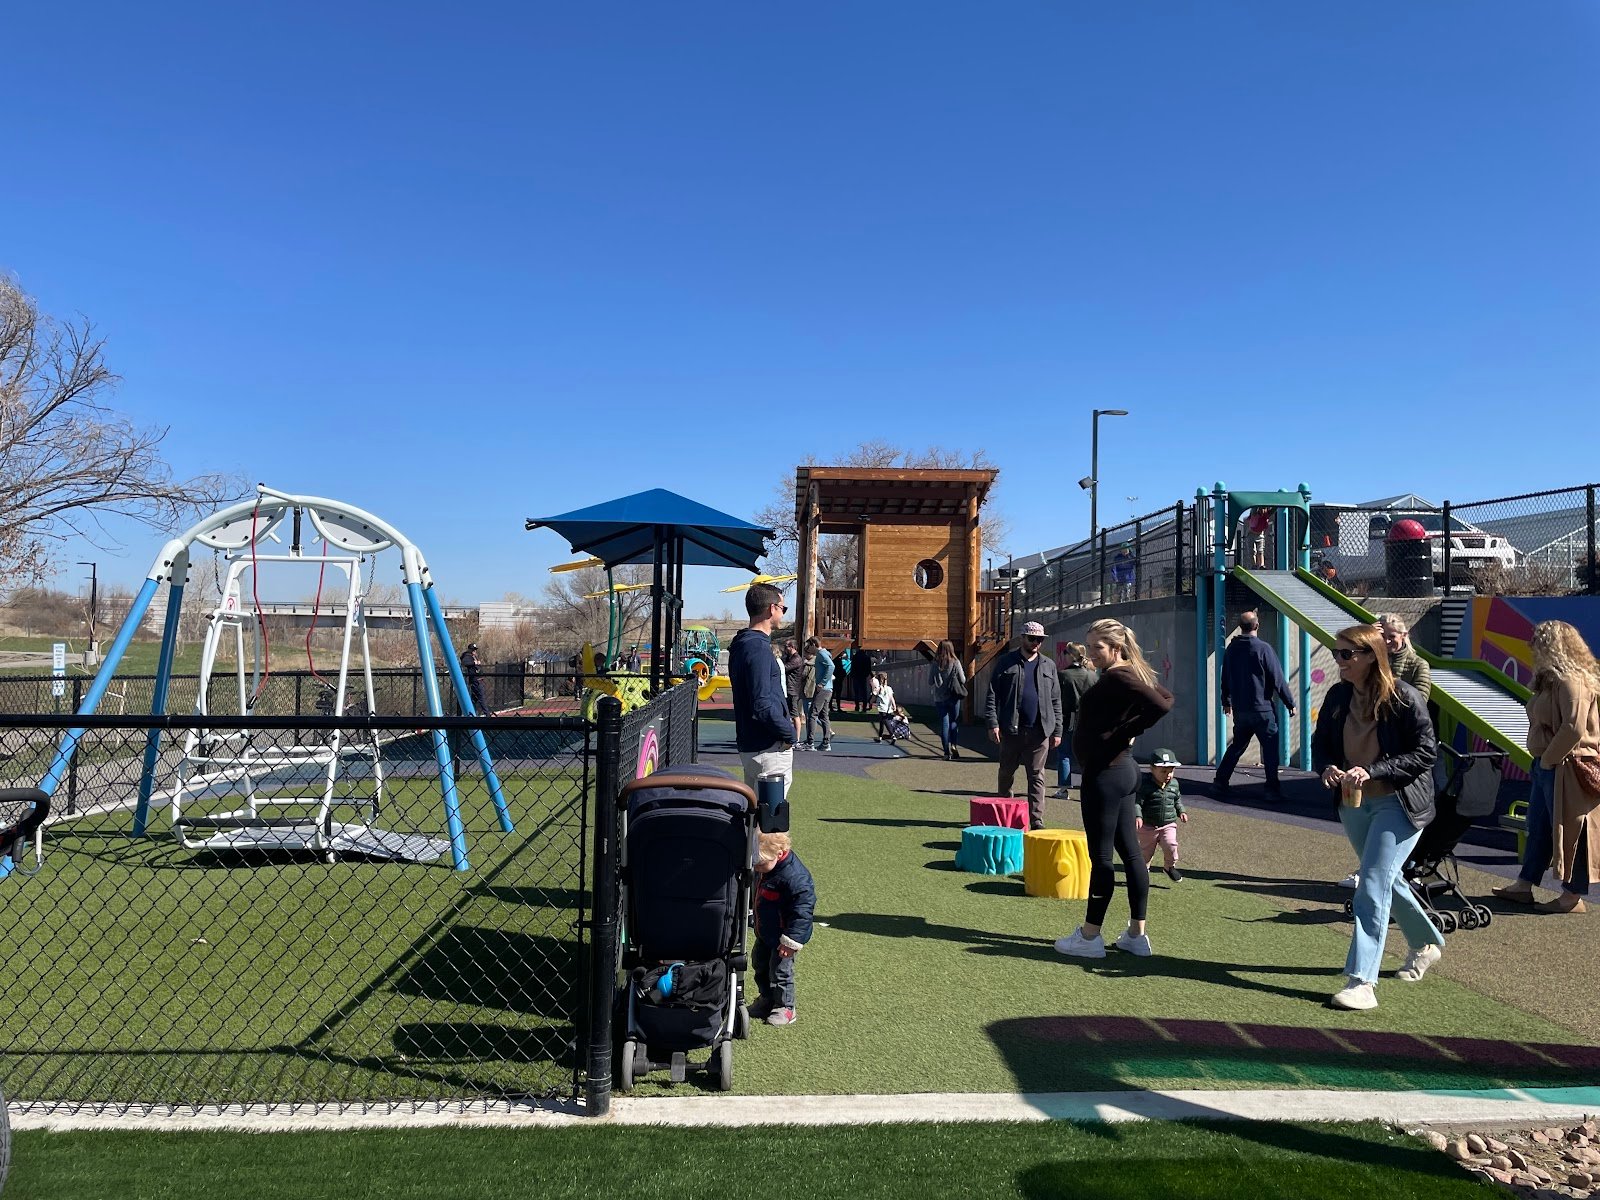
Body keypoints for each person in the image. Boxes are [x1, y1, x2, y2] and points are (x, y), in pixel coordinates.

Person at [1313, 624, 1443, 1012]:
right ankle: (1425, 943)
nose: (1339, 661)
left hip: (1399, 803)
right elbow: (1321, 743)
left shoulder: (1404, 696)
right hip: (1353, 802)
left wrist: (1374, 770)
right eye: (1336, 653)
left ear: (1371, 656)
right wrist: (1326, 767)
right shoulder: (1338, 696)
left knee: (1371, 883)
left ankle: (1362, 981)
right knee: (1385, 879)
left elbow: (1426, 752)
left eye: (1346, 654)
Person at [1055, 619, 1174, 959]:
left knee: (1102, 858)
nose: (1091, 653)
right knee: (1132, 854)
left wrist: (1123, 732)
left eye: (1098, 647)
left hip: (1106, 776)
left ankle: (1090, 937)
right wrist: (1126, 730)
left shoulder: (1119, 676)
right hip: (1121, 771)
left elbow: (1162, 704)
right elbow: (1165, 697)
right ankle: (1136, 935)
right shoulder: (1125, 674)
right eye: (1089, 645)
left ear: (1116, 648)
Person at [1491, 620, 1599, 914]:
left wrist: (1550, 759)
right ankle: (1524, 884)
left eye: (1539, 641)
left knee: (1572, 830)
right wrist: (1544, 761)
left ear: (1554, 646)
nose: (1532, 646)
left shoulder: (1571, 681)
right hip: (1548, 764)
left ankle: (1572, 896)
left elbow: (1574, 728)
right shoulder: (1552, 680)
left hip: (1566, 766)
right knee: (1538, 826)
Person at [984, 621, 1064, 831]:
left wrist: (1057, 730)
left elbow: (1056, 700)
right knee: (1006, 771)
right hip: (1011, 730)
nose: (1036, 643)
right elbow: (992, 695)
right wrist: (992, 723)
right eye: (1032, 638)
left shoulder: (1048, 665)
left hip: (1040, 731)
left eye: (1040, 639)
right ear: (1022, 638)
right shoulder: (1005, 662)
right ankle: (1004, 810)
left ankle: (1036, 820)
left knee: (1037, 775)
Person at [1213, 611, 1295, 800]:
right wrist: (1289, 702)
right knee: (1270, 749)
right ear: (1257, 626)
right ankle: (1271, 789)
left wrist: (1226, 701)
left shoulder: (1231, 649)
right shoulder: (1263, 649)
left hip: (1241, 710)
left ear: (1240, 627)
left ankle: (1220, 782)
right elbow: (1277, 678)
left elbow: (1225, 676)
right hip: (1263, 709)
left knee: (1237, 746)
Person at [728, 583, 795, 794]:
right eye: (783, 608)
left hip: (752, 744)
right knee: (771, 814)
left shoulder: (743, 644)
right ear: (772, 609)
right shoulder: (757, 647)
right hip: (767, 747)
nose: (783, 614)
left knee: (756, 811)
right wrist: (789, 733)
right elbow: (762, 703)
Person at [748, 831, 816, 1027]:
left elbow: (803, 912)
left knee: (780, 971)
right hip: (766, 931)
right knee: (760, 964)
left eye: (761, 863)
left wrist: (791, 941)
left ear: (779, 853)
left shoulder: (795, 877)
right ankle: (767, 998)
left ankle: (785, 1006)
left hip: (784, 936)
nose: (756, 867)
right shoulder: (766, 868)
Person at [1053, 642, 1098, 798]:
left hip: (1069, 720)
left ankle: (1064, 788)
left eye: (1065, 653)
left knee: (1065, 754)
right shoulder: (1093, 675)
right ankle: (1089, 787)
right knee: (1086, 755)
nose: (1063, 655)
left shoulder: (1064, 675)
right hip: (1089, 720)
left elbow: (1057, 700)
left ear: (1071, 655)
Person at [1137, 747, 1188, 882]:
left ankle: (1169, 867)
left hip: (1168, 824)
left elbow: (1177, 800)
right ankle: (1143, 871)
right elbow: (1137, 802)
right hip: (1148, 826)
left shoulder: (1174, 784)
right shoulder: (1145, 785)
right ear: (1152, 769)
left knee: (1171, 845)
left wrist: (1181, 811)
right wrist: (1138, 816)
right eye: (1163, 771)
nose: (1168, 775)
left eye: (1171, 771)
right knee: (1146, 852)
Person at [1377, 614, 1433, 701]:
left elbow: (1419, 700)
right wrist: (1366, 635)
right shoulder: (1370, 659)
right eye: (1382, 636)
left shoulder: (1418, 665)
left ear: (1403, 635)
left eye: (1392, 636)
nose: (1386, 641)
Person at [929, 639, 967, 761]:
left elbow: (930, 681)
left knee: (944, 724)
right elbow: (963, 679)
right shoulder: (955, 662)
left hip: (939, 698)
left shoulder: (935, 663)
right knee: (953, 722)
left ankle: (946, 752)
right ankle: (954, 745)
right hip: (953, 696)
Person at [804, 637, 834, 752]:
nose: (808, 649)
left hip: (823, 689)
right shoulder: (824, 654)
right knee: (824, 715)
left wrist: (822, 683)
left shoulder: (821, 654)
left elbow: (831, 666)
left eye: (809, 646)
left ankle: (810, 742)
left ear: (813, 645)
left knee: (812, 713)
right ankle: (826, 742)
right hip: (828, 689)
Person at [782, 639, 805, 746]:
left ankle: (797, 739)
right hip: (788, 689)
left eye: (786, 646)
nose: (785, 648)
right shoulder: (789, 658)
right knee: (787, 713)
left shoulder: (796, 659)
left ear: (792, 647)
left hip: (793, 690)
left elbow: (784, 668)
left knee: (795, 714)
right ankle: (789, 737)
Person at [460, 642, 489, 715]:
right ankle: (487, 715)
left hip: (478, 679)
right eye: (473, 649)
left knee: (474, 699)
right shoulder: (468, 656)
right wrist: (474, 663)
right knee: (481, 698)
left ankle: (471, 713)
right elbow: (465, 663)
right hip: (476, 680)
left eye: (475, 649)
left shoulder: (474, 656)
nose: (474, 651)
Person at [872, 671, 899, 744]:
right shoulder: (889, 688)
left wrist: (870, 702)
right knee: (882, 722)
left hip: (882, 707)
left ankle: (893, 735)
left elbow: (874, 697)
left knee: (885, 721)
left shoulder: (878, 688)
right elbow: (891, 698)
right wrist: (894, 705)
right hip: (888, 707)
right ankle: (880, 737)